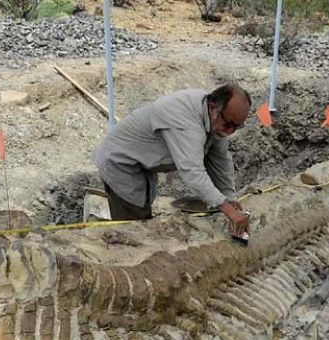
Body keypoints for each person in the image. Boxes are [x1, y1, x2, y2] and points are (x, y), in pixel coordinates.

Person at [92, 84, 250, 237]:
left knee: (141, 217)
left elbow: (220, 160)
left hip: (141, 165)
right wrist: (228, 210)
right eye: (228, 124)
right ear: (214, 107)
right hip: (120, 164)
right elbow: (192, 172)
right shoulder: (186, 121)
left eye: (237, 127)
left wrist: (230, 198)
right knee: (134, 227)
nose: (230, 131)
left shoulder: (212, 116)